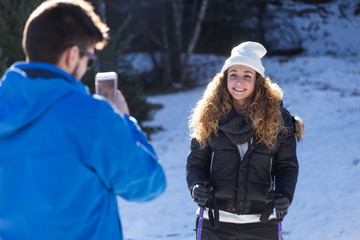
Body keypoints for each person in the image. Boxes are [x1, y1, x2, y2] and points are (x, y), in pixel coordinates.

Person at [0, 1, 166, 239]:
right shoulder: (92, 115)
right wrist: (126, 121)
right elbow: (148, 183)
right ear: (72, 55)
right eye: (89, 59)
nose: (87, 67)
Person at [186, 41, 304, 240]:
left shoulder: (278, 120)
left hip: (261, 221)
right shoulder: (209, 117)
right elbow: (197, 162)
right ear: (225, 79)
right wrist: (196, 186)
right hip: (215, 221)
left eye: (246, 76)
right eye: (233, 75)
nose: (238, 82)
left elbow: (286, 166)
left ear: (257, 81)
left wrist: (284, 195)